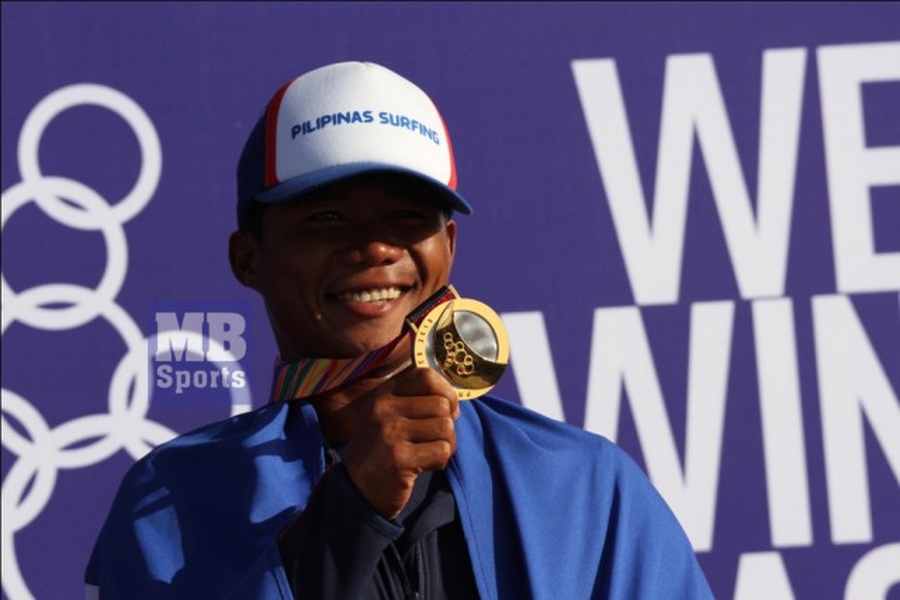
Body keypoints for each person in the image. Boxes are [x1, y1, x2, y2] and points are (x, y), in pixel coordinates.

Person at [85, 61, 713, 599]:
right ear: (248, 259)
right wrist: (349, 520)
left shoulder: (585, 485)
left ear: (448, 245)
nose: (376, 248)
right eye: (327, 217)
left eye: (406, 217)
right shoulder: (172, 499)